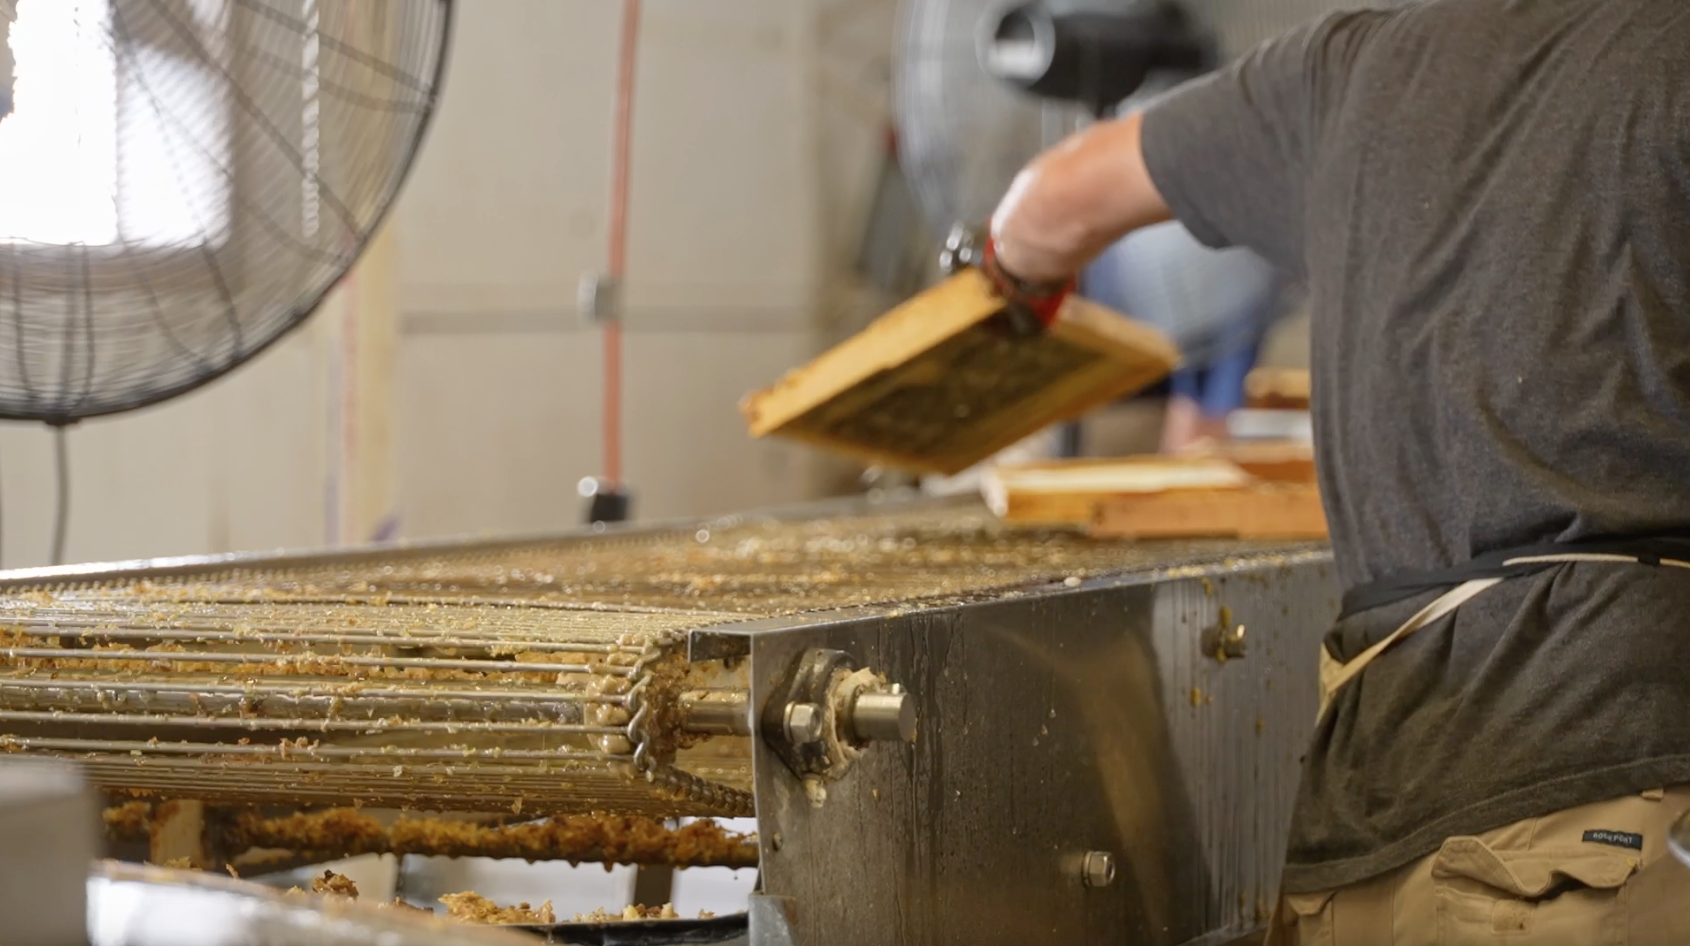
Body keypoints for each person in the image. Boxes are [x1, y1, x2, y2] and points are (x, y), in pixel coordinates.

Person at [980, 2, 1690, 942]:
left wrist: (1005, 287)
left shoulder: (1342, 67)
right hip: (1601, 829)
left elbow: (1047, 205)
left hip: (1362, 834)